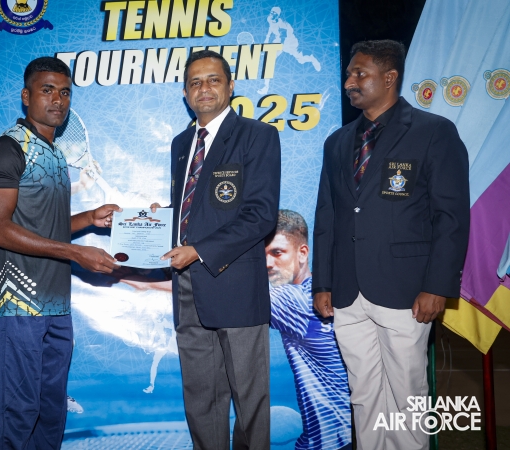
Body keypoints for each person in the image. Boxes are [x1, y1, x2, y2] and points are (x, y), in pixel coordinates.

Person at [312, 40, 470, 449]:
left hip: (406, 290)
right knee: (363, 393)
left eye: (359, 74)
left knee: (406, 394)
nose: (349, 82)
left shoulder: (434, 132)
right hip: (348, 292)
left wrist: (437, 286)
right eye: (349, 73)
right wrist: (323, 283)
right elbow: (327, 217)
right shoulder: (337, 142)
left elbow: (451, 217)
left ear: (389, 77)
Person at [0, 56, 121, 449]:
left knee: (50, 410)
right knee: (18, 411)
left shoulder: (56, 153)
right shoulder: (7, 148)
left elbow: (45, 225)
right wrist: (75, 254)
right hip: (18, 305)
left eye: (64, 92)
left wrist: (90, 218)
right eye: (47, 90)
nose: (58, 100)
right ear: (26, 96)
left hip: (57, 305)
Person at [151, 49, 281, 449]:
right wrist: (162, 219)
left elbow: (260, 215)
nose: (203, 88)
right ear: (185, 93)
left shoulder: (257, 135)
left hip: (235, 284)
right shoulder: (181, 143)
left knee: (249, 401)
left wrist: (198, 250)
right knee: (201, 399)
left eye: (213, 80)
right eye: (195, 82)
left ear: (231, 86)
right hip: (187, 289)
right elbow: (200, 208)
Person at [266, 210, 351, 450]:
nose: (267, 263)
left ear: (302, 253)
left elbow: (219, 295)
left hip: (332, 442)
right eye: (261, 255)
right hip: (346, 435)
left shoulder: (294, 300)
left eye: (277, 253)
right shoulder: (321, 292)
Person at [258, 6, 321, 95]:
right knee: (269, 63)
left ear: (278, 16)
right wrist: (264, 47)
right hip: (278, 40)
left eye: (274, 13)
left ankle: (312, 58)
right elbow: (269, 33)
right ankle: (266, 87)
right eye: (271, 12)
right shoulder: (269, 19)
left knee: (301, 60)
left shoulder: (283, 26)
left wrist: (271, 49)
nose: (272, 14)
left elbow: (283, 39)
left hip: (290, 42)